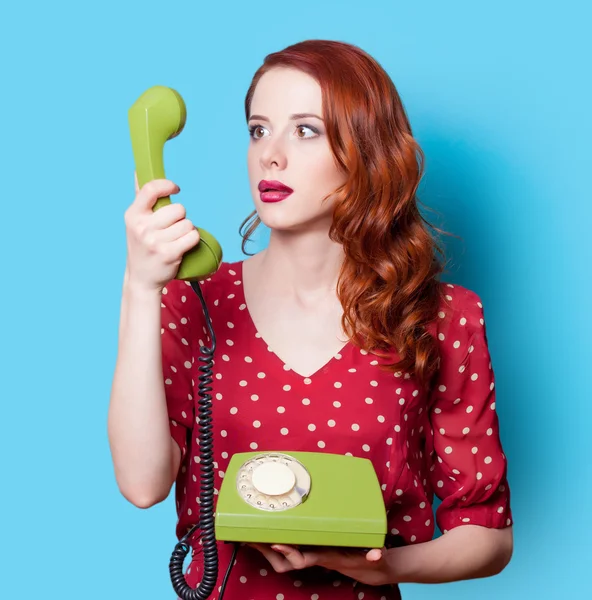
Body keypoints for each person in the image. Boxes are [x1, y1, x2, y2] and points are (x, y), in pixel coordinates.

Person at [108, 39, 513, 600]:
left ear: (367, 151)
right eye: (258, 130)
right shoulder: (193, 302)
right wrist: (141, 285)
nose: (270, 155)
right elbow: (142, 483)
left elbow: (488, 535)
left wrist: (386, 567)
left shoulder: (444, 317)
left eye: (305, 130)